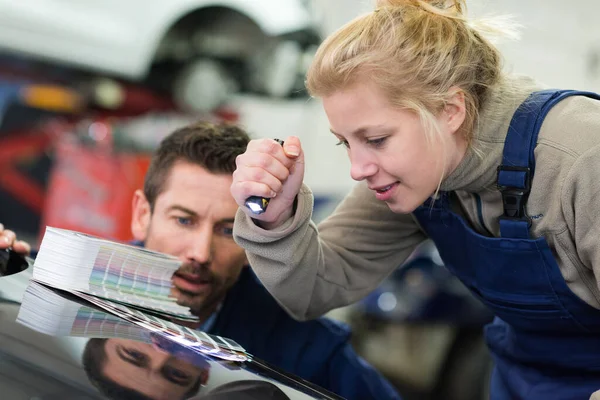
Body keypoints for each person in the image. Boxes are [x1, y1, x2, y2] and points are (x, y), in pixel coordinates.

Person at [229, 1, 600, 399]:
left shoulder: (581, 158)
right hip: (525, 382)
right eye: (346, 143)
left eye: (376, 140)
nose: (358, 168)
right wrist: (277, 218)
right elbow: (315, 289)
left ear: (450, 110)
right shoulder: (422, 173)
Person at [1, 121, 401, 400]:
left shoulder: (303, 346)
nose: (199, 252)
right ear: (143, 214)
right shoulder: (64, 281)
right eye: (183, 219)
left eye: (228, 230)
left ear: (257, 238)